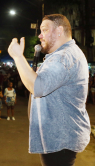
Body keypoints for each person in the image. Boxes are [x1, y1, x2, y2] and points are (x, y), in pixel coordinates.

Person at [8, 14, 90, 166]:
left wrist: (18, 57)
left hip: (60, 139)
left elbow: (38, 87)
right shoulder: (62, 55)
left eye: (44, 30)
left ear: (59, 31)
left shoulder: (64, 57)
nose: (40, 35)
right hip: (59, 137)